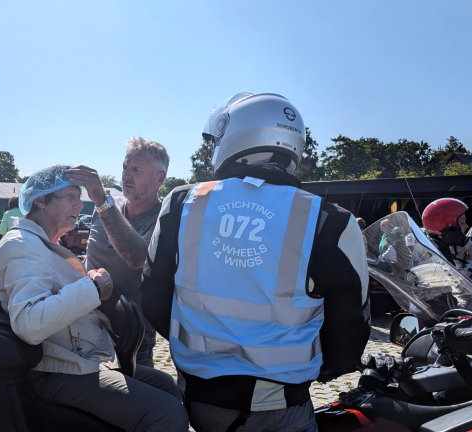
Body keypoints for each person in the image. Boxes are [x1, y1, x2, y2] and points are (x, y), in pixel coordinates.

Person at [140, 93, 370, 432]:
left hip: (200, 399)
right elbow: (351, 326)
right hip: (282, 406)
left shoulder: (183, 202)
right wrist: (319, 371)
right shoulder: (328, 220)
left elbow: (153, 297)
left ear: (236, 136)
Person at [0, 164, 188, 432]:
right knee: (167, 415)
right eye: (70, 195)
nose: (79, 204)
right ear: (40, 200)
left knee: (166, 386)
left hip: (80, 361)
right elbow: (30, 323)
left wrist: (87, 284)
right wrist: (91, 289)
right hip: (56, 370)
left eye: (79, 196)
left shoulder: (44, 246)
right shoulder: (21, 245)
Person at [66, 137, 168, 368]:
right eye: (124, 167)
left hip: (130, 338)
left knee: (136, 399)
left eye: (136, 170)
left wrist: (102, 201)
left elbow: (137, 257)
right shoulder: (107, 208)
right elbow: (91, 257)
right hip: (85, 327)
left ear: (160, 178)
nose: (126, 176)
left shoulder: (165, 218)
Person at [422, 198, 469, 263]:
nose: (467, 226)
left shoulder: (461, 246)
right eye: (462, 222)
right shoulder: (431, 256)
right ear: (446, 226)